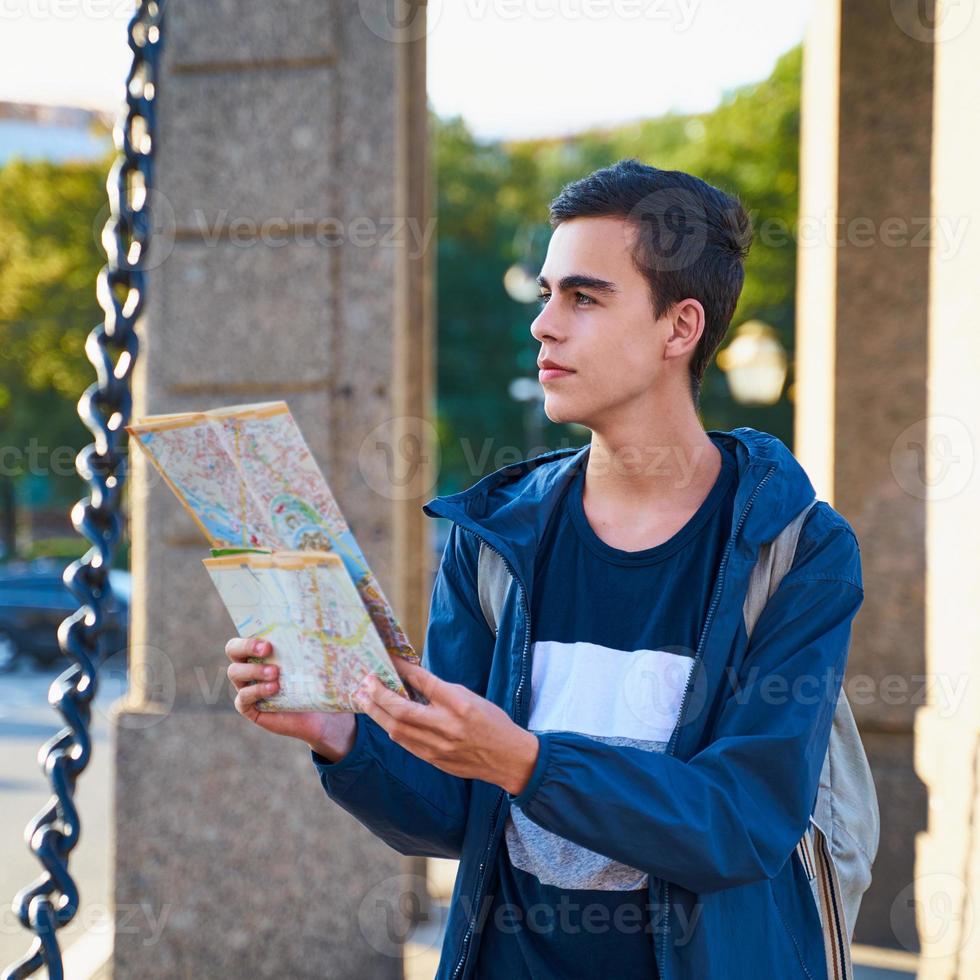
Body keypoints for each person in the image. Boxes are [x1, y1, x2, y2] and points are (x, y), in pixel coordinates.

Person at [225, 159, 864, 979]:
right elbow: (461, 810)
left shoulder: (797, 549)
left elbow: (742, 822)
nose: (544, 326)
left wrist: (528, 761)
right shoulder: (493, 537)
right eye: (547, 295)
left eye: (585, 298)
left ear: (681, 328)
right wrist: (344, 738)